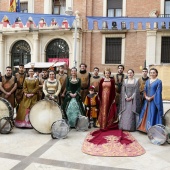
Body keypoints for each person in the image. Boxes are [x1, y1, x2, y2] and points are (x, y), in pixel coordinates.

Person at [137, 68, 163, 133]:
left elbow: (158, 92)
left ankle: (150, 129)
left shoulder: (159, 81)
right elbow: (144, 90)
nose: (152, 74)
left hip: (154, 101)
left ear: (156, 73)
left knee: (152, 113)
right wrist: (146, 97)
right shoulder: (147, 81)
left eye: (153, 72)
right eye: (151, 72)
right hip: (147, 100)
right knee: (145, 112)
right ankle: (143, 128)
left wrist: (151, 98)